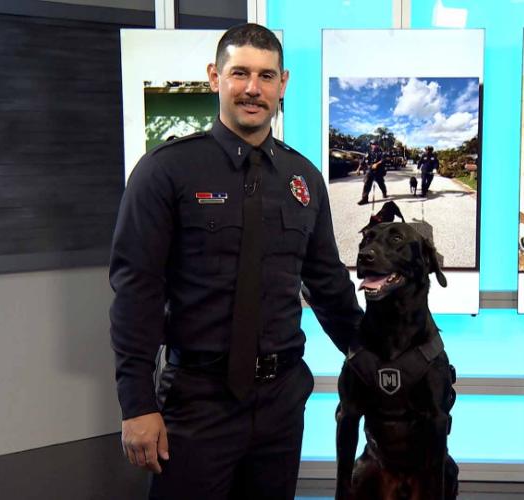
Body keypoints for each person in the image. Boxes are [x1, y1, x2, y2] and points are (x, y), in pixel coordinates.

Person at [109, 23, 363, 499]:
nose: (253, 88)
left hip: (281, 401)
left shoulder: (302, 177)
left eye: (266, 76)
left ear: (282, 84)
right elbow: (136, 292)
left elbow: (328, 283)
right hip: (196, 400)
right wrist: (136, 404)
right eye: (240, 73)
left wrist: (374, 355)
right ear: (214, 77)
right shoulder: (166, 171)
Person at [357, 141, 387, 205]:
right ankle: (364, 199)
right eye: (373, 144)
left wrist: (376, 164)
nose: (375, 146)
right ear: (371, 145)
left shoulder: (381, 152)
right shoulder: (368, 153)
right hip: (370, 170)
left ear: (378, 145)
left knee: (381, 184)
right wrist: (358, 169)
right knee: (366, 184)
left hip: (379, 171)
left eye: (376, 144)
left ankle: (384, 192)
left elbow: (383, 159)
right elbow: (363, 161)